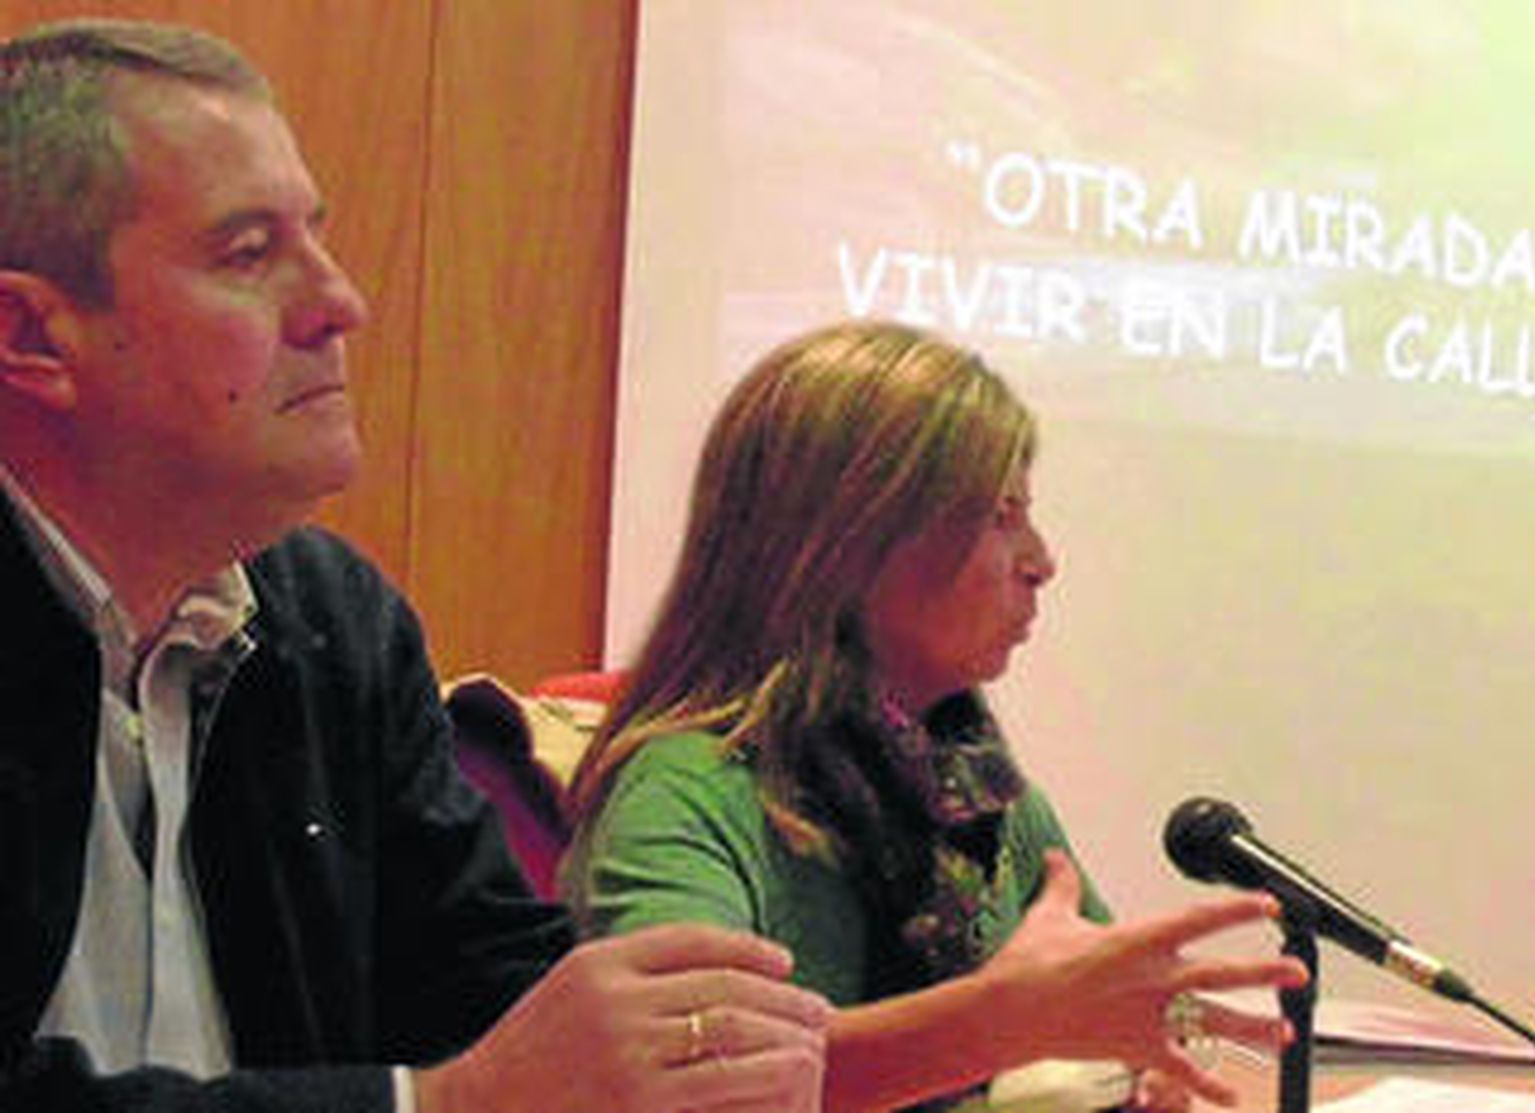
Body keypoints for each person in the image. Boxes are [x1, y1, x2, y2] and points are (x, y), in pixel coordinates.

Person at [0, 18, 827, 1113]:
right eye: (249, 253)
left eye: (317, 237)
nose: (341, 302)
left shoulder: (328, 620)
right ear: (31, 336)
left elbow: (486, 992)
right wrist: (441, 1105)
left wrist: (675, 1057)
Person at [563, 320, 1308, 1112]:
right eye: (998, 512)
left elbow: (1102, 1000)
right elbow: (686, 1089)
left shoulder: (973, 784)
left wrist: (1145, 1061)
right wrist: (1000, 1022)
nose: (1041, 558)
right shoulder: (684, 794)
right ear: (852, 537)